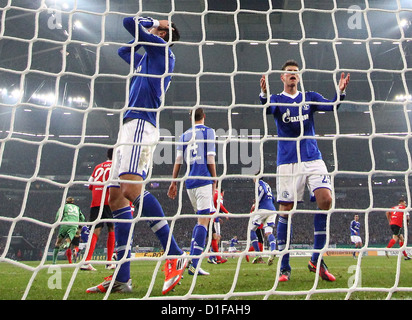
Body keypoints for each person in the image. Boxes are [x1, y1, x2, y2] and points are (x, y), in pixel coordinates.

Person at [86, 16, 187, 295]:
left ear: (163, 34)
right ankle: (122, 276)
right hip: (129, 125)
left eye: (158, 29)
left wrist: (152, 21)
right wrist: (146, 33)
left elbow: (129, 21)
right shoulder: (148, 56)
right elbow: (123, 51)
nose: (153, 29)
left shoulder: (160, 49)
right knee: (116, 197)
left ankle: (174, 253)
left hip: (141, 124)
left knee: (131, 191)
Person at [259, 59, 350, 282]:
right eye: (289, 72)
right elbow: (267, 109)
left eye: (295, 72)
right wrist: (263, 94)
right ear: (282, 77)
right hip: (288, 161)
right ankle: (284, 266)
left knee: (326, 200)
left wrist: (340, 92)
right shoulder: (277, 100)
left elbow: (331, 106)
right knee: (285, 209)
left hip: (312, 157)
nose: (292, 74)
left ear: (298, 76)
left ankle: (316, 260)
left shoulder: (309, 97)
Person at [168, 107, 217, 276]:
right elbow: (210, 158)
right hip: (203, 180)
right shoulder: (209, 132)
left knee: (200, 221)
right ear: (204, 116)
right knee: (204, 222)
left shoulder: (184, 135)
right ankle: (195, 264)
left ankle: (192, 260)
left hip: (189, 184)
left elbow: (178, 161)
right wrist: (215, 179)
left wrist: (173, 183)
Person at [81, 148, 116, 271]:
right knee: (112, 228)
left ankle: (86, 261)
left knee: (95, 231)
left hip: (96, 202)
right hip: (109, 200)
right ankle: (109, 262)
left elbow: (90, 185)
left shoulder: (98, 167)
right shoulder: (116, 166)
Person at [248, 177, 277, 266]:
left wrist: (256, 203)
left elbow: (263, 191)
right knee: (268, 232)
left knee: (251, 230)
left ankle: (258, 255)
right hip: (272, 210)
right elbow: (273, 199)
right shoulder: (267, 184)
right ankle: (273, 250)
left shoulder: (259, 183)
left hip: (263, 209)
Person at [52, 197, 85, 264]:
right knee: (70, 240)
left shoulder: (64, 206)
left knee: (58, 242)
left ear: (66, 202)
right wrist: (80, 227)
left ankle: (54, 262)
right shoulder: (77, 208)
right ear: (73, 202)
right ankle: (67, 243)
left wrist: (55, 226)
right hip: (74, 225)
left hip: (65, 224)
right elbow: (83, 218)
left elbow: (58, 215)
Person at [209, 187, 229, 264]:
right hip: (213, 217)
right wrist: (226, 213)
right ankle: (212, 256)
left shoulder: (213, 192)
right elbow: (219, 204)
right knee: (216, 237)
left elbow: (215, 207)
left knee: (215, 237)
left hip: (213, 216)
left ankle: (215, 257)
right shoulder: (219, 193)